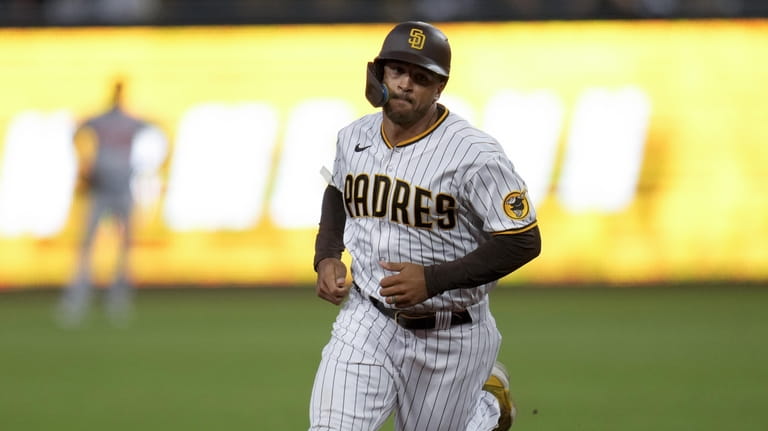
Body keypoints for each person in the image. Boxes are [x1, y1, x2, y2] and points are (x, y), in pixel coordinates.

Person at [310, 21, 542, 431]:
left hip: (451, 332)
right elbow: (337, 190)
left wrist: (433, 279)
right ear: (379, 73)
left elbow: (523, 240)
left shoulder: (474, 154)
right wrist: (327, 254)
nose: (405, 85)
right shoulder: (354, 136)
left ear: (439, 88)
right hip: (367, 319)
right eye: (397, 71)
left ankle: (483, 410)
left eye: (421, 78)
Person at [57, 80, 150, 327]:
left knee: (124, 249)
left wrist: (151, 167)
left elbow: (159, 132)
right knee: (87, 246)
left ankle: (117, 301)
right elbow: (76, 130)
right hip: (100, 190)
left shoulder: (132, 120)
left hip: (122, 189)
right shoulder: (101, 119)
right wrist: (83, 163)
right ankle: (76, 301)